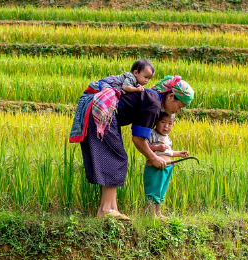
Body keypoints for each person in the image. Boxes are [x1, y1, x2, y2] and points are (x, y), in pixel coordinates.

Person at [69, 70, 194, 220]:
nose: (178, 111)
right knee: (116, 157)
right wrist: (153, 158)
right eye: (179, 106)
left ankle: (111, 208)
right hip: (103, 111)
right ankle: (106, 209)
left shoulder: (151, 99)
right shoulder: (153, 103)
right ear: (171, 96)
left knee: (115, 157)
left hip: (100, 110)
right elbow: (138, 139)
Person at [144, 112, 189, 219]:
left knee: (161, 191)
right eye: (163, 122)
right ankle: (151, 214)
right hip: (155, 167)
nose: (166, 126)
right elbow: (145, 146)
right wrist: (157, 147)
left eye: (170, 123)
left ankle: (158, 213)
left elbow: (169, 152)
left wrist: (179, 154)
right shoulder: (152, 134)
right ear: (156, 122)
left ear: (173, 125)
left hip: (167, 167)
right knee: (154, 190)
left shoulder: (167, 138)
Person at [87, 58, 154, 94]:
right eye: (145, 77)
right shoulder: (131, 78)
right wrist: (136, 89)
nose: (147, 80)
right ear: (136, 72)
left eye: (149, 78)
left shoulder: (135, 81)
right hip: (108, 83)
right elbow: (125, 87)